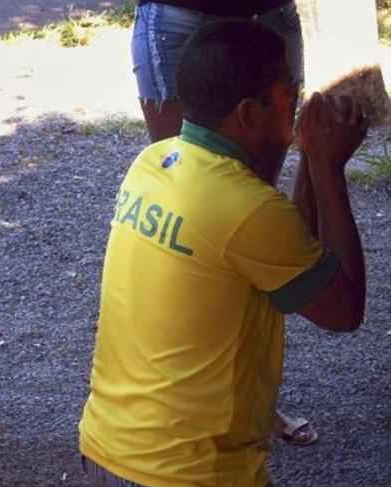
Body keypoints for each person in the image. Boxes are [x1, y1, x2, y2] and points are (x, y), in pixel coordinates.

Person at [45, 19, 368, 487]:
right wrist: (329, 169)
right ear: (249, 114)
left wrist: (305, 157)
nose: (301, 103)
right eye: (291, 93)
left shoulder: (155, 164)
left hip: (109, 457)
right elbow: (341, 310)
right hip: (187, 483)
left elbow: (291, 254)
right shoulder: (247, 211)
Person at [133, 0, 317, 446]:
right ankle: (172, 407)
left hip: (268, 16)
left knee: (252, 215)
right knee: (191, 213)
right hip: (179, 17)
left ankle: (255, 400)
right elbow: (346, 311)